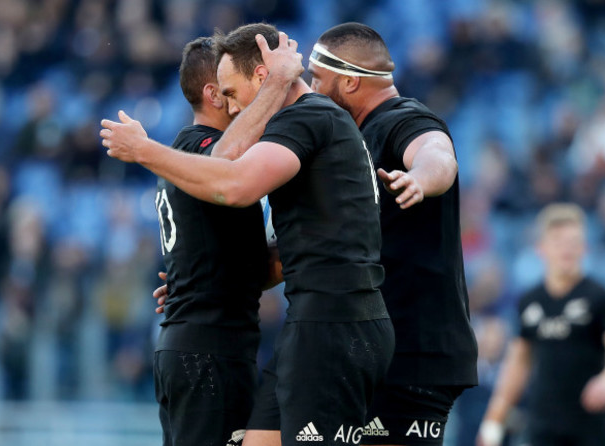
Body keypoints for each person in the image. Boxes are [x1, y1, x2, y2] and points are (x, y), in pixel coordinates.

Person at [100, 23, 395, 446]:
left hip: (337, 325)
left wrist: (143, 150)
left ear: (263, 76)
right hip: (311, 323)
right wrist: (205, 280)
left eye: (234, 94)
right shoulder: (303, 127)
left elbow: (233, 184)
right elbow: (298, 246)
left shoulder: (307, 118)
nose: (234, 109)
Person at [306, 23, 478, 445]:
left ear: (349, 80)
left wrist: (419, 179)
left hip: (413, 349)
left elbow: (439, 154)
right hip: (374, 348)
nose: (310, 90)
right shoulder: (354, 136)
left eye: (317, 79)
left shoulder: (404, 118)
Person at [147, 35, 292, 446]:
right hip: (208, 352)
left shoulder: (185, 159)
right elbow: (226, 163)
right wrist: (278, 84)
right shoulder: (206, 154)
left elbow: (245, 262)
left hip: (195, 343)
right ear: (212, 94)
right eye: (229, 86)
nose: (240, 95)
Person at [477, 203, 605, 446]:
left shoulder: (603, 298)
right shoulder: (530, 302)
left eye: (573, 242)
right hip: (543, 428)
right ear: (541, 248)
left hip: (592, 429)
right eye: (558, 241)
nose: (566, 249)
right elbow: (518, 363)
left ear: (584, 247)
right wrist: (493, 420)